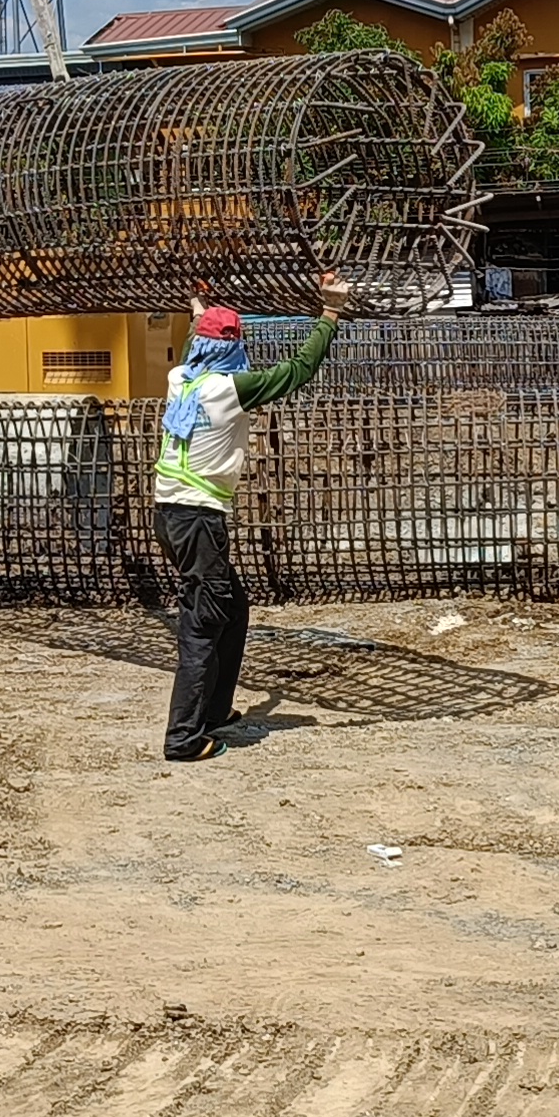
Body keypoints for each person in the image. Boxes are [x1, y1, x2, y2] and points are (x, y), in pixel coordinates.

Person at [153, 279, 343, 763]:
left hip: (170, 512)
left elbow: (204, 336)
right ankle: (184, 738)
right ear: (234, 349)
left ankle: (215, 711)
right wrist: (330, 313)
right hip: (198, 517)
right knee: (203, 622)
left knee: (232, 606)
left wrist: (199, 307)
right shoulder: (227, 391)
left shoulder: (182, 379)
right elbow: (298, 371)